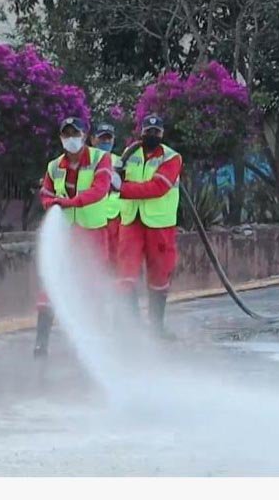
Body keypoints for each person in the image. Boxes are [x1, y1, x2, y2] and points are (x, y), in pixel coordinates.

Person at [35, 117, 115, 357]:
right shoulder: (54, 166)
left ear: (85, 136)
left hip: (93, 232)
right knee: (50, 284)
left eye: (75, 133)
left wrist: (69, 202)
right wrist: (52, 203)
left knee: (93, 285)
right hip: (65, 234)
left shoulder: (102, 159)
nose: (71, 139)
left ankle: (97, 340)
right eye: (66, 134)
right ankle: (41, 342)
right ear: (61, 137)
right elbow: (46, 193)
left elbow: (99, 190)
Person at [115, 114, 183, 334]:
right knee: (126, 273)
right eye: (148, 131)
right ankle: (133, 327)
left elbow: (158, 187)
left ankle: (156, 327)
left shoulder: (171, 158)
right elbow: (116, 174)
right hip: (131, 221)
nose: (151, 135)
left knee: (159, 275)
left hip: (159, 224)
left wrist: (122, 189)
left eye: (156, 132)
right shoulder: (129, 153)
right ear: (141, 132)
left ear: (162, 134)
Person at [91, 123, 122, 260]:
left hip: (115, 216)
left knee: (116, 257)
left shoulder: (120, 161)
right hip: (93, 217)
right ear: (93, 140)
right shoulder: (87, 160)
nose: (106, 142)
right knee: (95, 256)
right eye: (102, 138)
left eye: (109, 138)